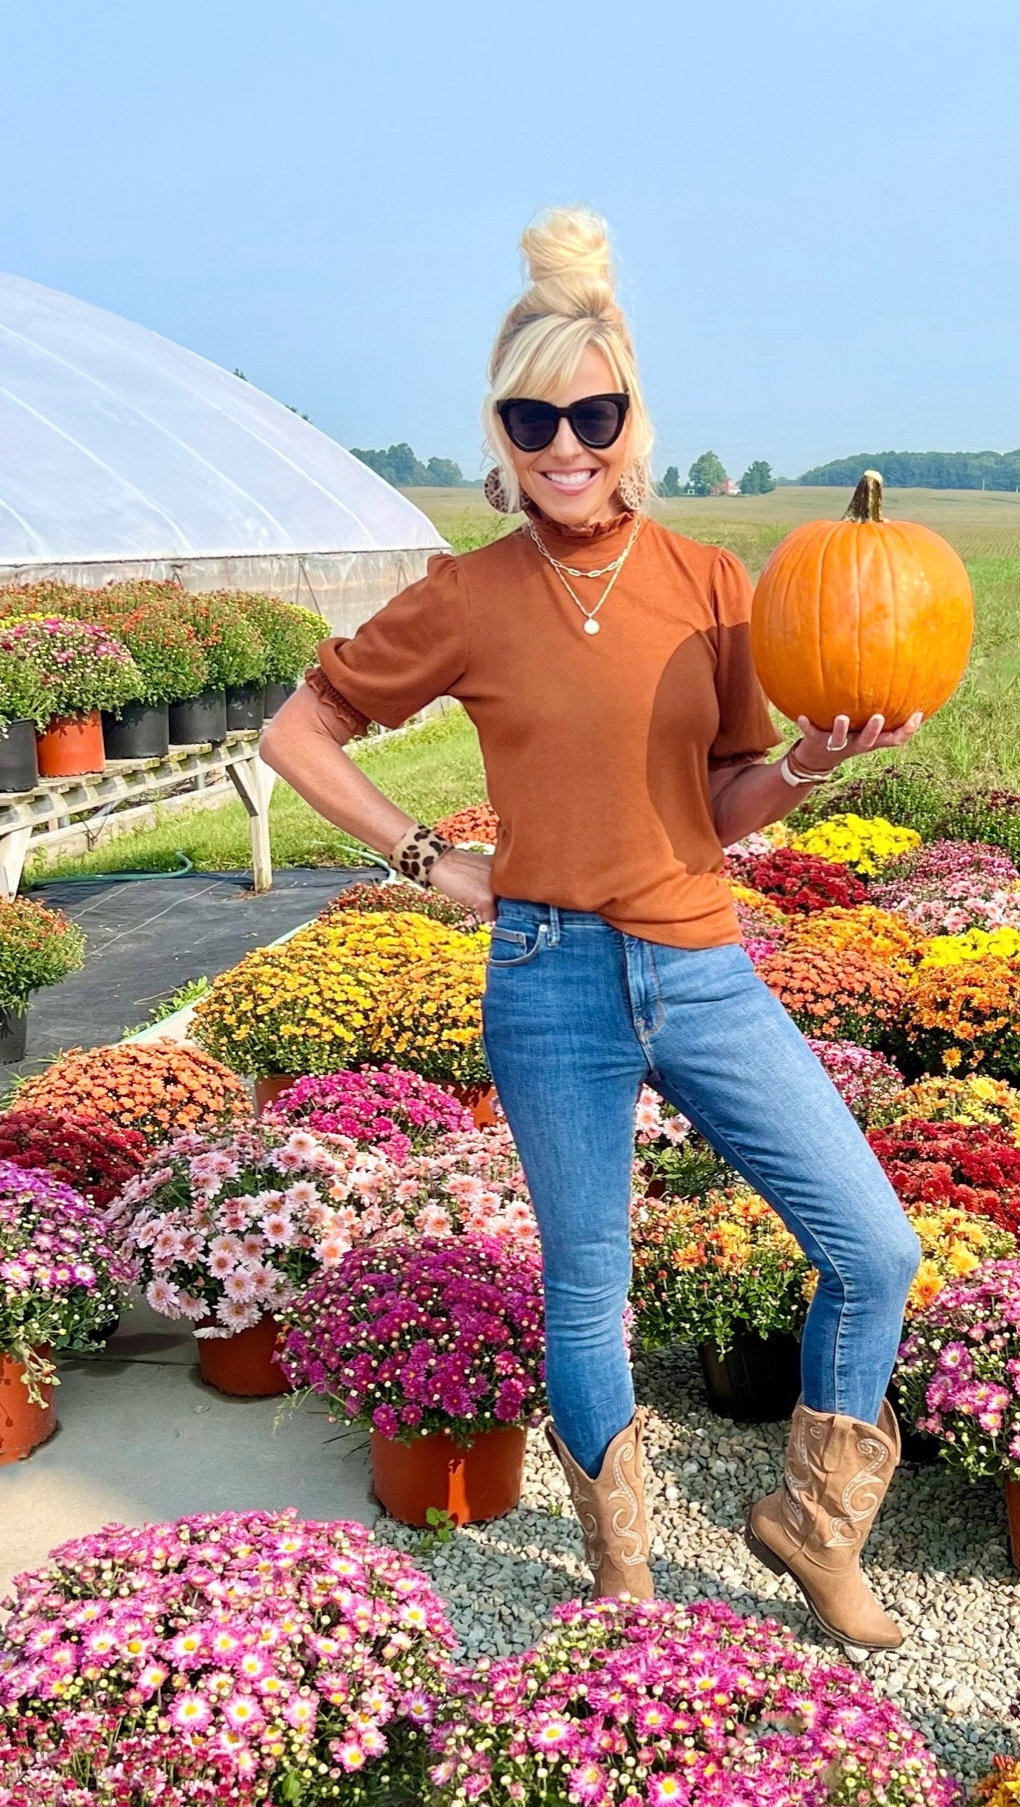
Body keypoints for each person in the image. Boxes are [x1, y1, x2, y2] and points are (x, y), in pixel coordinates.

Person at [260, 206, 925, 1650]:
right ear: (499, 432)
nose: (566, 442)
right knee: (587, 1290)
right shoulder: (463, 598)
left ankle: (813, 1528)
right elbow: (296, 732)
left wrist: (811, 763)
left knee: (872, 1251)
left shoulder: (707, 585)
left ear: (633, 420)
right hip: (548, 977)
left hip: (702, 966)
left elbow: (724, 800)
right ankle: (621, 1572)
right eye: (533, 416)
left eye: (594, 410)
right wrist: (417, 855)